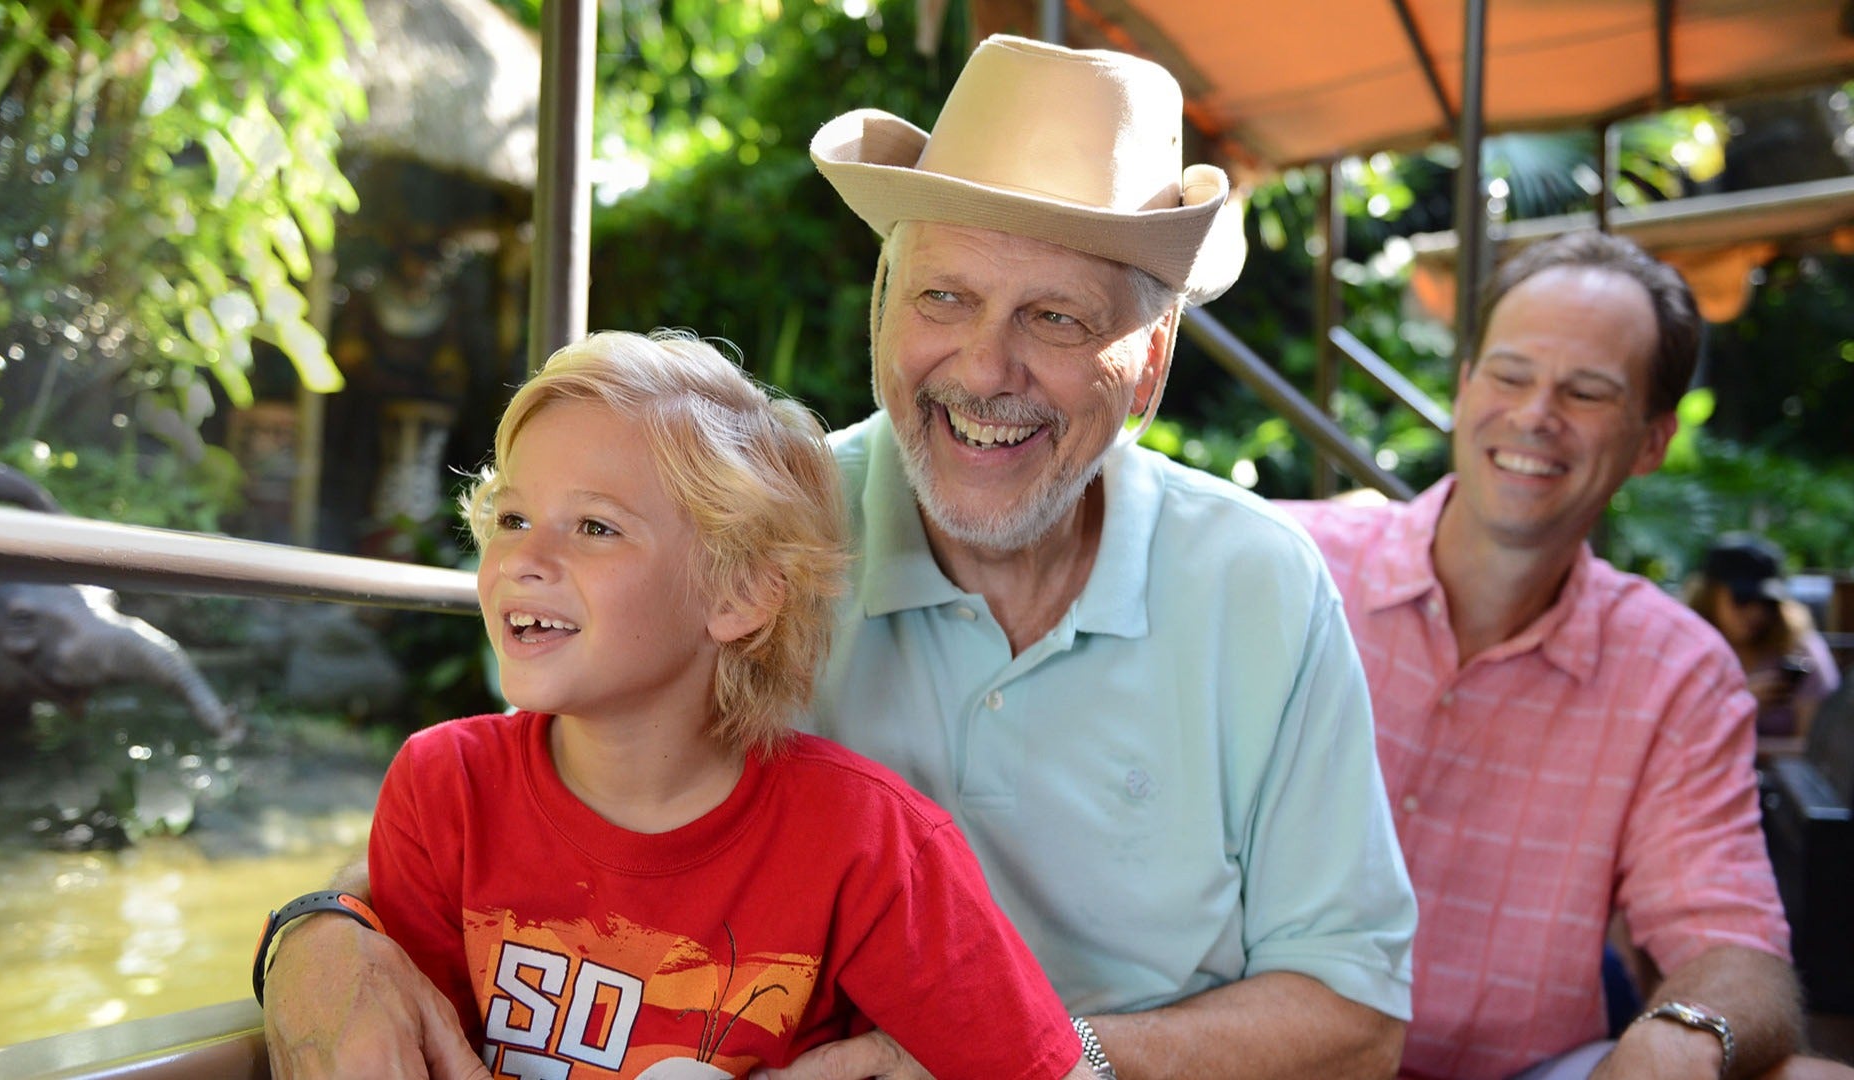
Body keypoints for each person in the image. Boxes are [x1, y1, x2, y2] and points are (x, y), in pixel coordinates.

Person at [260, 35, 1418, 1080]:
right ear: (880, 309)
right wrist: (310, 936)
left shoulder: (1259, 584)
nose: (985, 368)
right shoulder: (739, 533)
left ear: (1151, 360)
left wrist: (1021, 1064)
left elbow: (1357, 1019)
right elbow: (527, 828)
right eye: (944, 297)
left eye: (1056, 318)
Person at [309, 330, 1096, 1078]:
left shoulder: (872, 845)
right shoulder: (443, 787)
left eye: (594, 526)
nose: (524, 559)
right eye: (512, 518)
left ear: (742, 593)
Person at [1281, 232, 1840, 1080]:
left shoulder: (1676, 667)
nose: (1536, 413)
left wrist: (1678, 1039)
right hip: (1248, 1050)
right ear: (1465, 389)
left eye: (1586, 391)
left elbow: (1733, 942)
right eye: (1509, 375)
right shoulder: (1286, 563)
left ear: (1651, 443)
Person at [1685, 533, 1841, 746]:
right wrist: (1738, 706)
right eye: (1743, 599)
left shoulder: (1798, 649)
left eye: (1766, 602)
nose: (1755, 612)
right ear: (1711, 594)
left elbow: (1818, 750)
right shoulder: (1684, 650)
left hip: (1781, 776)